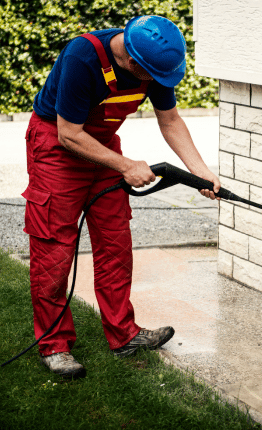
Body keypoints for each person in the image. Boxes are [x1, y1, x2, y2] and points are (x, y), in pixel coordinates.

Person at [23, 15, 220, 379]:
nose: (157, 84)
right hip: (57, 147)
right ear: (131, 62)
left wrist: (201, 171)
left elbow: (171, 120)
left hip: (102, 147)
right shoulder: (84, 57)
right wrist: (126, 165)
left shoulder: (154, 63)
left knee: (115, 243)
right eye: (151, 77)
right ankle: (55, 345)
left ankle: (123, 335)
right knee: (55, 248)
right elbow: (68, 133)